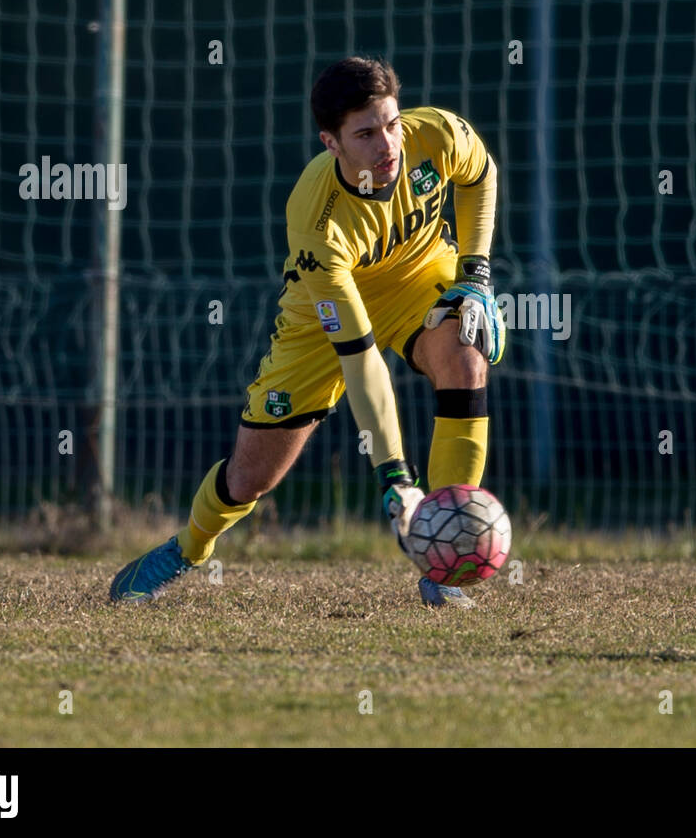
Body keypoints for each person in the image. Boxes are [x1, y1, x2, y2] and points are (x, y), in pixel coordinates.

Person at [109, 56, 503, 608]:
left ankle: (443, 557)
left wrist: (475, 274)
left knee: (466, 349)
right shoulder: (319, 220)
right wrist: (395, 475)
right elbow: (362, 359)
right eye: (365, 134)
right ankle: (186, 549)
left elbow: (480, 174)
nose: (387, 145)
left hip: (417, 277)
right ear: (331, 142)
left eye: (391, 124)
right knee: (251, 480)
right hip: (324, 317)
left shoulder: (434, 133)